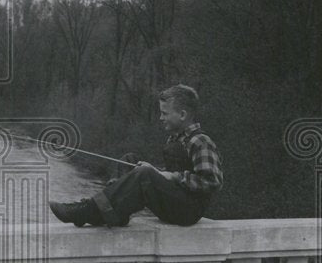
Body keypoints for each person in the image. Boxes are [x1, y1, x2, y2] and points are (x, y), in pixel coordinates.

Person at [49, 84, 223, 227]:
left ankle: (89, 210)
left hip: (187, 212)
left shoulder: (200, 141)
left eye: (164, 113)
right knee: (130, 160)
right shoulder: (174, 139)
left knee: (144, 174)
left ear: (183, 115)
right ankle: (115, 212)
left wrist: (171, 176)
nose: (161, 118)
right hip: (174, 202)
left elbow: (212, 181)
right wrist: (157, 171)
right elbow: (174, 175)